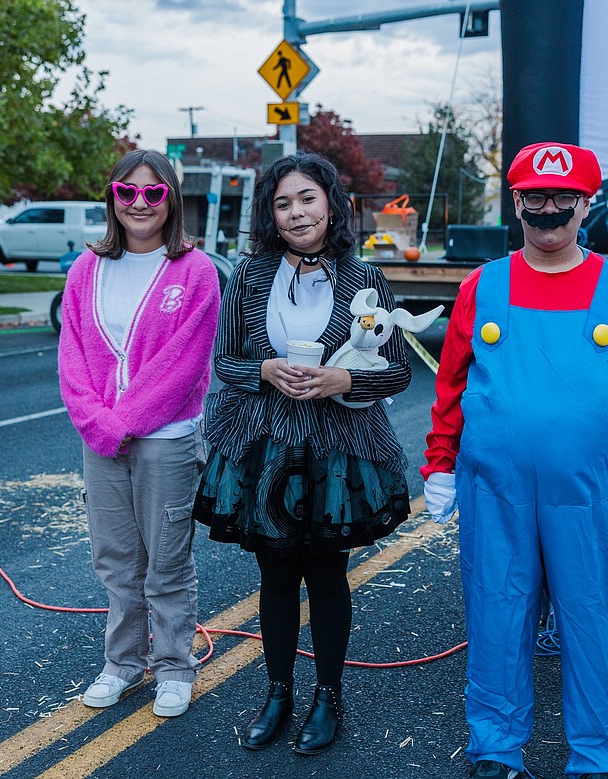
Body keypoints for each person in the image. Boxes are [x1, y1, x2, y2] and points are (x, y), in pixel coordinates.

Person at [422, 142, 608, 779]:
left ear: (585, 204)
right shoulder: (482, 285)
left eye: (561, 198)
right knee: (496, 613)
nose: (547, 209)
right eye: (533, 197)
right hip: (495, 490)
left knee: (590, 621)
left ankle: (596, 756)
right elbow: (452, 384)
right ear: (516, 203)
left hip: (589, 492)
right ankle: (494, 747)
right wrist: (439, 461)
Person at [193, 151, 413, 755]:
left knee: (327, 573)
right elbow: (225, 364)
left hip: (338, 450)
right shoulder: (247, 276)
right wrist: (265, 369)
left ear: (331, 203)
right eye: (282, 203)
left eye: (306, 199)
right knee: (275, 573)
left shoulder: (366, 279)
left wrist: (344, 382)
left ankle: (328, 696)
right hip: (264, 443)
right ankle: (277, 692)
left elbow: (396, 372)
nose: (296, 212)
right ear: (270, 213)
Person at [58, 149, 220, 718]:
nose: (139, 203)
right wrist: (99, 425)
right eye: (128, 192)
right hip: (102, 441)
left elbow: (184, 366)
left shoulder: (194, 272)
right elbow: (73, 358)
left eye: (153, 193)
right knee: (116, 560)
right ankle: (123, 663)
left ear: (170, 198)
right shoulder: (87, 269)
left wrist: (121, 423)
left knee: (167, 560)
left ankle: (174, 666)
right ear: (113, 198)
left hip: (166, 441)